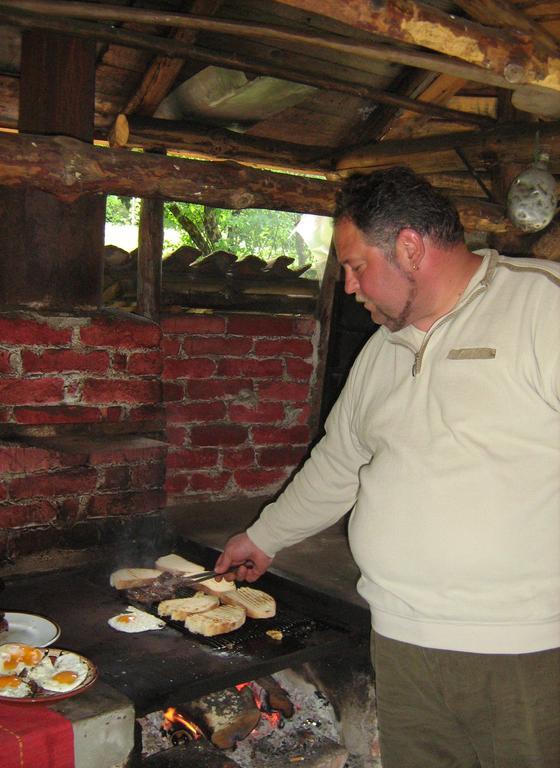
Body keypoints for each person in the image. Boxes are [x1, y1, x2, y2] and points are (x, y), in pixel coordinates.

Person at [215, 167, 560, 767]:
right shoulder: (384, 348)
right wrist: (264, 537)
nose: (348, 285)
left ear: (408, 247)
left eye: (354, 265)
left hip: (525, 651)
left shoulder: (541, 306)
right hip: (402, 639)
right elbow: (340, 462)